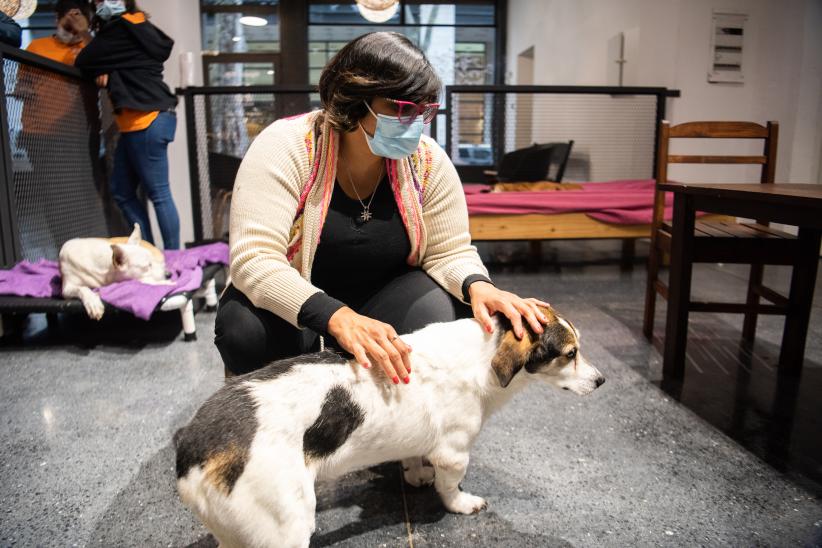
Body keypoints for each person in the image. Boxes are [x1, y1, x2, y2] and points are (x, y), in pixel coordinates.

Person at [215, 32, 550, 381]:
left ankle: (383, 416)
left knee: (442, 309)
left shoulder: (428, 161)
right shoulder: (288, 146)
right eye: (401, 109)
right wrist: (334, 316)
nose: (415, 124)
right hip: (302, 299)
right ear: (353, 100)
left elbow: (449, 250)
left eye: (424, 111)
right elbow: (255, 258)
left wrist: (480, 286)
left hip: (381, 295)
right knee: (245, 330)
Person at [74, 0, 180, 249]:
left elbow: (85, 60)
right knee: (122, 191)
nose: (100, 4)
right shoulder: (139, 26)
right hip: (146, 120)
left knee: (159, 194)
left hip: (145, 120)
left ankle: (175, 260)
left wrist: (92, 47)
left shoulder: (118, 29)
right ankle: (149, 250)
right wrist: (110, 69)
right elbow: (123, 61)